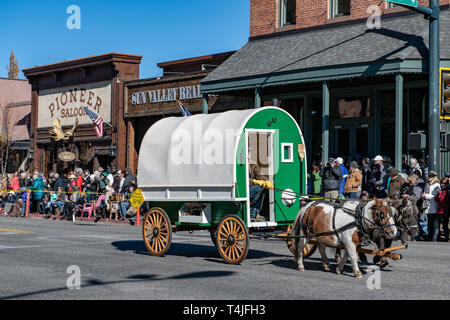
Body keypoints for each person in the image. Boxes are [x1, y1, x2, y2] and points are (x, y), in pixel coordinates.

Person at [248, 149, 268, 221]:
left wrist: (267, 181)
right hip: (245, 189)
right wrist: (254, 181)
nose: (249, 153)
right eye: (248, 152)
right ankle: (252, 212)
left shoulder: (253, 164)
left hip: (251, 188)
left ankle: (255, 211)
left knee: (264, 188)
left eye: (250, 152)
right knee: (258, 188)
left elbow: (259, 175)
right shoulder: (240, 165)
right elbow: (242, 179)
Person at [422, 171, 441, 242]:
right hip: (427, 206)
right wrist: (423, 195)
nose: (429, 177)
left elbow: (436, 196)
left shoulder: (437, 185)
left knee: (435, 224)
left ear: (434, 177)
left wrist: (425, 196)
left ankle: (434, 239)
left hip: (434, 206)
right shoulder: (427, 184)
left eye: (431, 176)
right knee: (429, 223)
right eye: (429, 176)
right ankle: (430, 238)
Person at [435, 177, 449, 242]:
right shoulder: (441, 191)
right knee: (437, 224)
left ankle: (446, 238)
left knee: (445, 224)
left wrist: (440, 193)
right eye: (441, 183)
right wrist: (438, 193)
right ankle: (438, 238)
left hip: (445, 210)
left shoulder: (447, 191)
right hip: (439, 210)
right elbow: (436, 199)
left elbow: (441, 199)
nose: (442, 185)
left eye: (444, 183)